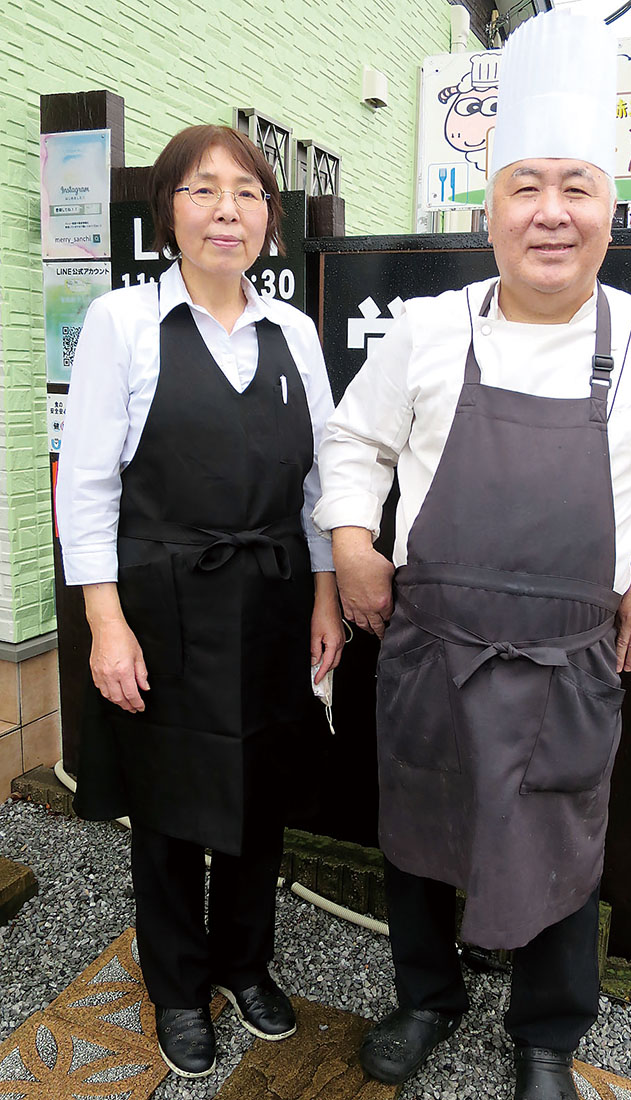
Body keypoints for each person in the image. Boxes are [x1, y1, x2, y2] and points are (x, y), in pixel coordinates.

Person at [312, 12, 631, 1100]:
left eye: (575, 187)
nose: (549, 213)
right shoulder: (428, 328)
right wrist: (351, 542)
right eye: (524, 185)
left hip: (565, 665)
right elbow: (351, 436)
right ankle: (425, 996)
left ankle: (545, 1036)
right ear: (489, 203)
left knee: (561, 849)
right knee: (418, 834)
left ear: (611, 209)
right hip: (430, 647)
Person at [56, 124, 345, 1079]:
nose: (228, 210)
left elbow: (320, 484)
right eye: (202, 191)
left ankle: (245, 962)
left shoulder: (294, 333)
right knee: (172, 808)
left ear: (271, 216)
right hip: (163, 603)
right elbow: (87, 485)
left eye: (248, 193)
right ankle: (177, 985)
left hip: (269, 599)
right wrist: (104, 620)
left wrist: (326, 594)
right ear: (168, 214)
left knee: (259, 798)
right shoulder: (122, 324)